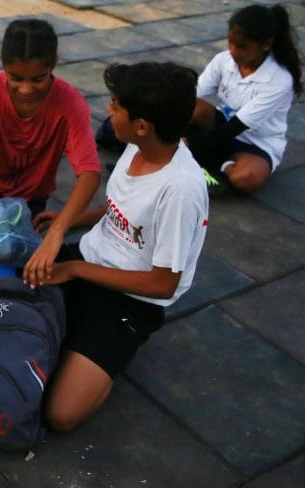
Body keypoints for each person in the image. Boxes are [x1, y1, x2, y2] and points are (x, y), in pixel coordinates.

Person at [38, 62, 208, 431]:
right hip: (88, 258)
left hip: (130, 299)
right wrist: (73, 221)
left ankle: (113, 353)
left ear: (142, 125)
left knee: (60, 415)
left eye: (115, 106)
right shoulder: (136, 148)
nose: (108, 112)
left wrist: (75, 270)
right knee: (3, 293)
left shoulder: (181, 189)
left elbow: (163, 283)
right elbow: (124, 212)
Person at [0, 18, 102, 288]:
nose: (26, 90)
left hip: (31, 196)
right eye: (15, 78)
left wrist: (57, 231)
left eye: (38, 79)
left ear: (53, 66)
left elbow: (90, 175)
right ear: (3, 67)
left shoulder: (71, 104)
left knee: (12, 254)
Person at [187, 3, 302, 193]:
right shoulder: (223, 60)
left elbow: (235, 128)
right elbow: (193, 93)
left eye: (242, 47)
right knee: (191, 106)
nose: (233, 50)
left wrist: (187, 145)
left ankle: (219, 164)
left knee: (246, 178)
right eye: (230, 42)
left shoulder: (279, 80)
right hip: (222, 124)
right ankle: (209, 159)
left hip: (256, 143)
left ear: (266, 45)